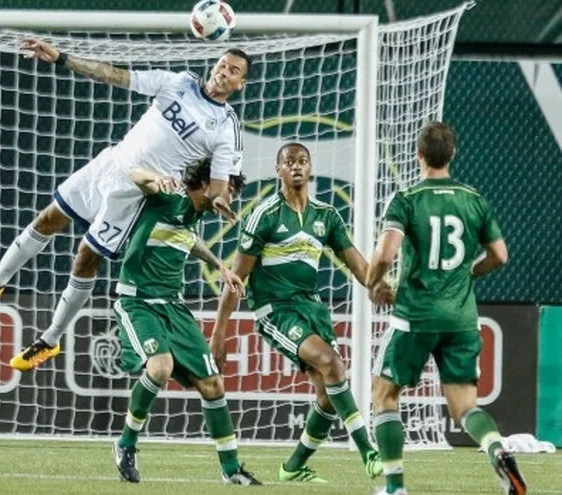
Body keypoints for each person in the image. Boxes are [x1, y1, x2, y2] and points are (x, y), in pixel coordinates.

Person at [0, 37, 251, 372]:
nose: (224, 72)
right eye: (222, 64)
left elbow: (219, 187)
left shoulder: (226, 128)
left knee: (85, 257)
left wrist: (219, 201)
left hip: (138, 191)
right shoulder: (178, 82)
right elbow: (115, 75)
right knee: (48, 218)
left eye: (233, 71)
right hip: (110, 163)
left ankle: (49, 340)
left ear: (241, 83)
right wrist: (61, 58)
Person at [212, 143, 389, 483]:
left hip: (312, 308)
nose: (296, 166)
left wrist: (383, 285)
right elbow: (236, 278)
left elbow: (360, 268)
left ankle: (292, 467)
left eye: (302, 161)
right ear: (278, 170)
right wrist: (219, 334)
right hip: (276, 311)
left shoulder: (327, 216)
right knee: (333, 364)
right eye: (289, 162)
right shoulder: (264, 215)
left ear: (310, 168)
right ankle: (368, 451)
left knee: (328, 396)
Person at [366, 122, 525, 495]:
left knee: (384, 394)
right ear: (452, 154)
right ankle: (497, 449)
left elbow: (386, 255)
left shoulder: (407, 199)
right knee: (465, 408)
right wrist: (471, 271)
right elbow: (500, 256)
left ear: (418, 154)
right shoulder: (474, 199)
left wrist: (374, 283)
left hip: (415, 316)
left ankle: (394, 488)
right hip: (462, 318)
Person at [111, 159, 258, 485]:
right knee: (160, 367)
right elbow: (133, 174)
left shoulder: (193, 214)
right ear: (207, 184)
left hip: (174, 307)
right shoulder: (169, 195)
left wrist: (221, 266)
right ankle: (126, 444)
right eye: (228, 191)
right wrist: (155, 176)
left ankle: (231, 470)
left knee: (213, 384)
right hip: (138, 302)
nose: (230, 199)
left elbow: (187, 239)